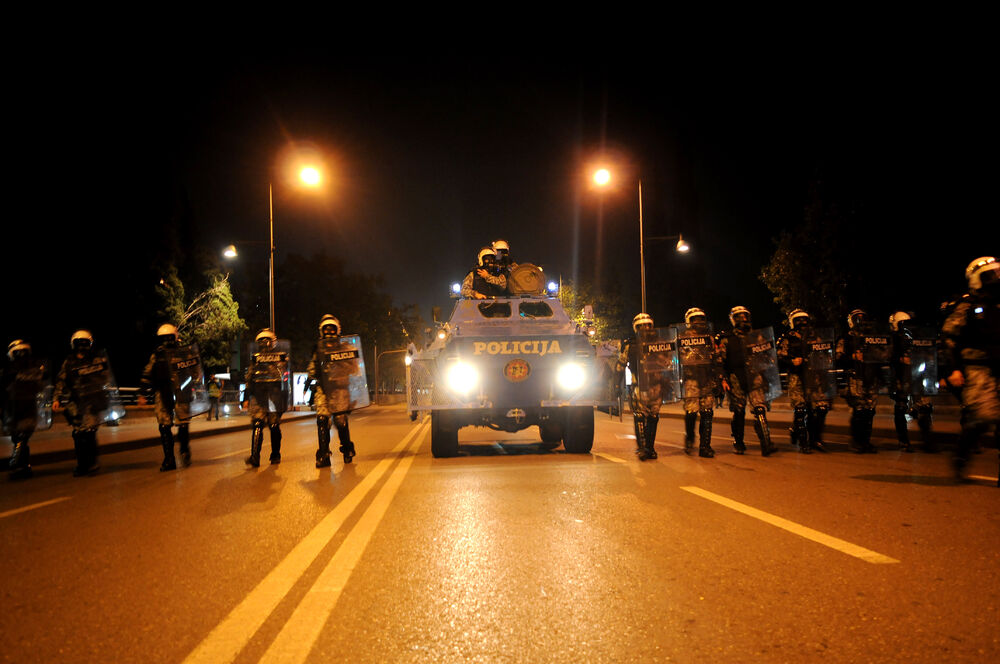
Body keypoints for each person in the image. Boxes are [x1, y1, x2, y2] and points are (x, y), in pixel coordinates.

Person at [941, 256, 999, 484]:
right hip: (978, 368)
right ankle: (960, 458)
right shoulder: (968, 305)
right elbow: (949, 338)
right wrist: (953, 369)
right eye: (990, 275)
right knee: (983, 417)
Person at [717, 306, 777, 456]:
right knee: (739, 411)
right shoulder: (727, 339)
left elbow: (767, 357)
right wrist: (723, 379)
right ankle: (738, 442)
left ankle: (766, 442)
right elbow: (721, 361)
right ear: (733, 319)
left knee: (760, 409)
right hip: (735, 378)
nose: (743, 319)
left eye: (745, 316)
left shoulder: (757, 337)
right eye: (739, 316)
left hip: (755, 377)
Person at [141, 323, 201, 471]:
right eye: (164, 338)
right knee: (164, 426)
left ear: (175, 337)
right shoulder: (157, 355)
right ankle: (169, 460)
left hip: (181, 392)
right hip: (162, 393)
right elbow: (147, 374)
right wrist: (142, 393)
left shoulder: (185, 352)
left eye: (169, 337)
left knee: (183, 424)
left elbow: (196, 373)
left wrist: (190, 379)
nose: (167, 340)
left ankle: (184, 450)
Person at [307, 314, 359, 468]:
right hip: (323, 390)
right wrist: (316, 371)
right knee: (322, 420)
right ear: (321, 331)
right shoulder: (317, 350)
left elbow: (355, 369)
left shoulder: (346, 348)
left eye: (332, 329)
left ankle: (347, 448)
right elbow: (311, 370)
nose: (329, 332)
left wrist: (339, 366)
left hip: (340, 390)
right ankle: (324, 455)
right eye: (326, 329)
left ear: (338, 330)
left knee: (340, 421)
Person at [777, 309, 831, 453]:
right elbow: (779, 356)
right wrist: (791, 361)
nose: (802, 323)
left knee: (821, 408)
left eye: (804, 319)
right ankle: (803, 441)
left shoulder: (816, 336)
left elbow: (826, 352)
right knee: (800, 408)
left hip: (814, 376)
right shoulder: (787, 337)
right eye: (798, 320)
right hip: (796, 376)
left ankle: (816, 439)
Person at [54, 330, 106, 476]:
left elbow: (105, 378)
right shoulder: (69, 362)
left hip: (92, 403)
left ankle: (92, 463)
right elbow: (61, 380)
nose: (82, 347)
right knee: (78, 434)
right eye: (79, 344)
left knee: (90, 433)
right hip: (76, 404)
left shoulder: (96, 360)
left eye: (85, 343)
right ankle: (82, 464)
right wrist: (56, 398)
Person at [617, 313, 667, 461]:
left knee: (653, 417)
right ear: (636, 328)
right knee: (639, 416)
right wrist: (615, 384)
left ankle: (650, 448)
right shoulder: (630, 345)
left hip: (656, 386)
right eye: (641, 326)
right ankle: (642, 448)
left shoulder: (660, 343)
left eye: (647, 325)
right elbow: (620, 365)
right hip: (638, 385)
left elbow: (669, 363)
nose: (645, 328)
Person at [836, 309, 887, 453]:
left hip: (871, 378)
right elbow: (838, 358)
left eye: (863, 318)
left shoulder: (872, 337)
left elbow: (883, 355)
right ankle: (856, 441)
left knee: (869, 411)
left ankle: (866, 441)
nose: (861, 321)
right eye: (857, 318)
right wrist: (852, 357)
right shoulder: (846, 338)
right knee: (859, 411)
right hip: (855, 378)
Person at [889, 311, 937, 453]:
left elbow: (927, 353)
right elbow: (888, 357)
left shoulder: (916, 337)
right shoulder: (893, 339)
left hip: (917, 375)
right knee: (901, 407)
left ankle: (928, 441)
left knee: (924, 407)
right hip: (902, 376)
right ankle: (904, 441)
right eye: (903, 323)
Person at [2, 340, 48, 479]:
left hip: (19, 409)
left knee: (20, 438)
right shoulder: (30, 370)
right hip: (18, 409)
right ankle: (23, 466)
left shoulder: (10, 371)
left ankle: (16, 465)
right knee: (20, 439)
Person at [243, 329, 288, 468]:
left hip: (272, 396)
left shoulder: (280, 359)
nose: (264, 344)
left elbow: (285, 378)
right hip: (260, 396)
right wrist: (245, 397)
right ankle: (256, 456)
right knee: (259, 424)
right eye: (261, 342)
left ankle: (274, 454)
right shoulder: (255, 359)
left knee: (272, 425)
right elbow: (249, 378)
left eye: (266, 341)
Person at [678, 307, 718, 458]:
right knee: (691, 412)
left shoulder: (709, 337)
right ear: (689, 322)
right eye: (695, 319)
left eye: (701, 319)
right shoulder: (682, 338)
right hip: (691, 380)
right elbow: (678, 359)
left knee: (707, 412)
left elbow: (715, 356)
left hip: (707, 379)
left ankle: (705, 446)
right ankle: (690, 438)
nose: (699, 322)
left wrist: (717, 378)